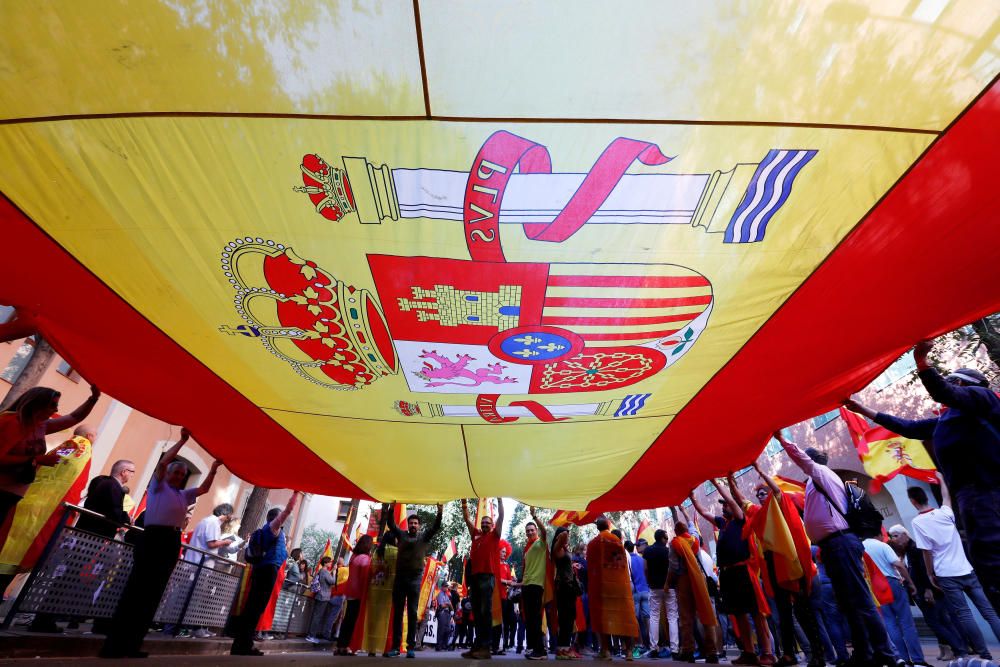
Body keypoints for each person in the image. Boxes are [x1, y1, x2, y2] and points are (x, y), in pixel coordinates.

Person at [845, 339, 1000, 608]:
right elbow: (908, 427)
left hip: (987, 490)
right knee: (987, 562)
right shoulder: (947, 420)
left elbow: (944, 392)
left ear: (962, 384)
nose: (952, 387)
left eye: (954, 382)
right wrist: (863, 410)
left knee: (993, 558)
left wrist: (921, 363)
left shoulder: (982, 399)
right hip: (969, 495)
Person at [774, 430, 901, 667]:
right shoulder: (816, 481)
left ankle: (887, 654)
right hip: (833, 546)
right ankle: (864, 654)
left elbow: (803, 459)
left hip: (840, 542)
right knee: (849, 603)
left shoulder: (821, 473)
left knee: (861, 601)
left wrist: (782, 440)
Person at [100, 428, 222, 659]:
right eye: (176, 472)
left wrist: (214, 469)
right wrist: (181, 442)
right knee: (136, 590)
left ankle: (133, 644)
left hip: (171, 541)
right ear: (167, 474)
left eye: (182, 474)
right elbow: (164, 462)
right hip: (153, 537)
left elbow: (204, 489)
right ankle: (114, 645)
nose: (178, 476)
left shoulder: (184, 495)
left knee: (153, 593)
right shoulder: (158, 486)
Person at [0, 384, 100, 594]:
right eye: (52, 405)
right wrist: (38, 459)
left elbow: (73, 418)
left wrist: (93, 399)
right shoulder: (13, 422)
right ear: (37, 404)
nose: (55, 410)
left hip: (13, 497)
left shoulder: (39, 425)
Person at [908, 478, 1000, 658]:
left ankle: (984, 653)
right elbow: (946, 498)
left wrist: (929, 573)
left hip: (945, 574)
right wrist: (942, 480)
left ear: (913, 502)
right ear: (926, 497)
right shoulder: (945, 513)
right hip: (966, 569)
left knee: (965, 615)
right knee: (989, 612)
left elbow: (926, 551)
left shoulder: (918, 523)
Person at [747, 464, 825, 667]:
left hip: (793, 565)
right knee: (785, 613)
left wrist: (761, 472)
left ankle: (818, 655)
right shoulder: (760, 514)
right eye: (758, 495)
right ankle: (790, 654)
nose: (761, 497)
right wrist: (726, 484)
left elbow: (776, 491)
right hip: (775, 567)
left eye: (763, 493)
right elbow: (742, 503)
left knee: (804, 612)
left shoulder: (780, 505)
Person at [690, 481, 774, 666]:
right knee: (739, 614)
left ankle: (767, 652)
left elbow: (731, 500)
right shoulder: (723, 524)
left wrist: (715, 483)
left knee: (755, 613)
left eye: (726, 504)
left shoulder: (739, 519)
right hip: (727, 575)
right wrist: (691, 499)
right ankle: (749, 652)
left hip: (742, 572)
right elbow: (704, 513)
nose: (723, 507)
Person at [229, 490, 301, 657]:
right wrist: (296, 493)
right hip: (267, 571)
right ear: (275, 519)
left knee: (253, 608)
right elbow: (288, 511)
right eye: (279, 518)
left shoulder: (270, 530)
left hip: (263, 570)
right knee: (255, 608)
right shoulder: (273, 528)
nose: (282, 521)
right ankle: (243, 644)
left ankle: (243, 643)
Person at [887, 524, 966, 662]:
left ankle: (959, 648)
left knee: (935, 622)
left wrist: (928, 590)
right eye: (892, 536)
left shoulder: (915, 549)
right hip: (922, 591)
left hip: (927, 591)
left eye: (896, 535)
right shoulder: (906, 551)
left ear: (905, 535)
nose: (894, 539)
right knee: (941, 621)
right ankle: (953, 648)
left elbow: (924, 571)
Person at [382, 503, 443, 658]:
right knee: (397, 613)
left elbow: (436, 527)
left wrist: (440, 512)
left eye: (416, 523)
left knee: (412, 613)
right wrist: (391, 509)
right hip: (400, 578)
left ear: (419, 526)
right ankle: (395, 647)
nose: (413, 525)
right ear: (408, 525)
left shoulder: (424, 537)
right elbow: (391, 524)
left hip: (415, 580)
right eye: (411, 523)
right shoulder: (401, 535)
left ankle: (410, 647)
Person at [862, 534, 926, 665]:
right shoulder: (882, 545)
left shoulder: (861, 547)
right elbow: (899, 565)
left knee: (889, 623)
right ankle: (918, 660)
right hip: (892, 582)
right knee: (906, 622)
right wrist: (910, 583)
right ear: (878, 533)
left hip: (874, 586)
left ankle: (902, 658)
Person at [587, 515, 639, 660]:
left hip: (602, 587)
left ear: (597, 528)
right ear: (609, 526)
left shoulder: (592, 544)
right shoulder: (617, 541)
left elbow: (591, 569)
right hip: (619, 586)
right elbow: (622, 565)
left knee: (603, 617)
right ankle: (629, 651)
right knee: (623, 617)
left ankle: (606, 650)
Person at [668, 521, 720, 663]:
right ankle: (712, 652)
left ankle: (688, 651)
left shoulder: (675, 544)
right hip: (698, 579)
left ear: (676, 532)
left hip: (683, 580)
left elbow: (673, 566)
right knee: (706, 613)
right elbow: (693, 529)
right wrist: (686, 515)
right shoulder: (694, 540)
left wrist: (669, 583)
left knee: (686, 618)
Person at [460, 497, 504, 660]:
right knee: (477, 613)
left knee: (485, 612)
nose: (485, 524)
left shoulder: (495, 535)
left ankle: (486, 647)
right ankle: (477, 646)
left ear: (492, 526)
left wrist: (499, 501)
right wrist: (464, 503)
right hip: (475, 578)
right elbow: (466, 518)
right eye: (483, 522)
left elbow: (501, 516)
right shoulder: (476, 535)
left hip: (487, 577)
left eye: (488, 523)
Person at [336, 534, 374, 656]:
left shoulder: (354, 557)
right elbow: (365, 577)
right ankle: (348, 646)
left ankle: (341, 646)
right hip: (359, 593)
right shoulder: (365, 559)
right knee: (353, 621)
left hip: (350, 592)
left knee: (348, 619)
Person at [77, 458, 134, 537]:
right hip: (95, 534)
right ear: (124, 472)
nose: (132, 475)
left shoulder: (99, 480)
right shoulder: (113, 486)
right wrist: (128, 519)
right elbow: (114, 512)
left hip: (83, 528)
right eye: (132, 472)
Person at [363, 530, 398, 656]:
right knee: (387, 621)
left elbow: (372, 569)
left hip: (374, 589)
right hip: (389, 591)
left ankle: (371, 649)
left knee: (373, 620)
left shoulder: (377, 552)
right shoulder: (396, 552)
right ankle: (385, 649)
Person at [522, 506, 549, 660]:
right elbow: (527, 571)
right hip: (527, 586)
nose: (530, 532)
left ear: (536, 531)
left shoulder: (541, 543)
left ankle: (539, 650)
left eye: (532, 530)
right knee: (531, 619)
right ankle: (538, 649)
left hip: (536, 586)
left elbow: (545, 532)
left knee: (535, 619)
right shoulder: (528, 549)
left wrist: (535, 517)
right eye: (528, 531)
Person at [550, 526, 582, 660]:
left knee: (568, 618)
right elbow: (562, 535)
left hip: (568, 587)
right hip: (564, 587)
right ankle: (562, 649)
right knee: (565, 618)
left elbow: (564, 564)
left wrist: (572, 566)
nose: (568, 537)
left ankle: (565, 648)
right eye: (566, 536)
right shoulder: (557, 549)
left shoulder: (563, 549)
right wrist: (565, 530)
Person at [643, 528, 672, 659]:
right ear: (662, 538)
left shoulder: (648, 551)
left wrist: (649, 581)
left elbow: (645, 569)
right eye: (666, 538)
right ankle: (675, 647)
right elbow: (672, 568)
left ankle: (654, 648)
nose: (667, 540)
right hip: (669, 587)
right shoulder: (668, 551)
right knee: (672, 617)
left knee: (654, 617)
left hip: (654, 587)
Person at [625, 539, 651, 653]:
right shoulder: (641, 559)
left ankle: (639, 644)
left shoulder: (627, 560)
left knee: (635, 618)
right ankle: (651, 643)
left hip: (635, 591)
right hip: (646, 590)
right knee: (647, 618)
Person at [306, 556, 338, 642]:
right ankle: (311, 636)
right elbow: (333, 582)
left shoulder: (321, 571)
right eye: (329, 562)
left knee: (316, 616)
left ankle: (310, 634)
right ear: (325, 563)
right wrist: (334, 573)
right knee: (317, 617)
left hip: (319, 595)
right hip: (323, 597)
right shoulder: (325, 572)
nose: (331, 563)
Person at [435, 583, 454, 651]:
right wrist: (448, 604)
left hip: (447, 613)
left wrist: (451, 610)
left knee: (448, 630)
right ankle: (439, 645)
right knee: (441, 629)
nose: (446, 588)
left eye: (447, 587)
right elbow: (441, 605)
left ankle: (444, 645)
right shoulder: (440, 594)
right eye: (445, 586)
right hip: (442, 612)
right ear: (442, 587)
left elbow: (450, 604)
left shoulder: (446, 594)